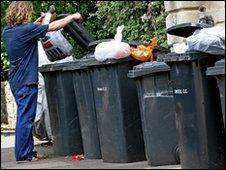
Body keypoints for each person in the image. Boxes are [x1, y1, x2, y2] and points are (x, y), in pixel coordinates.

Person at [2, 1, 82, 163]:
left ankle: (29, 152)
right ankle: (23, 155)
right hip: (26, 80)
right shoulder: (27, 30)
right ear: (25, 13)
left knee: (25, 116)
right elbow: (53, 27)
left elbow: (28, 30)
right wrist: (73, 16)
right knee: (26, 118)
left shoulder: (8, 31)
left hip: (16, 79)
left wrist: (36, 23)